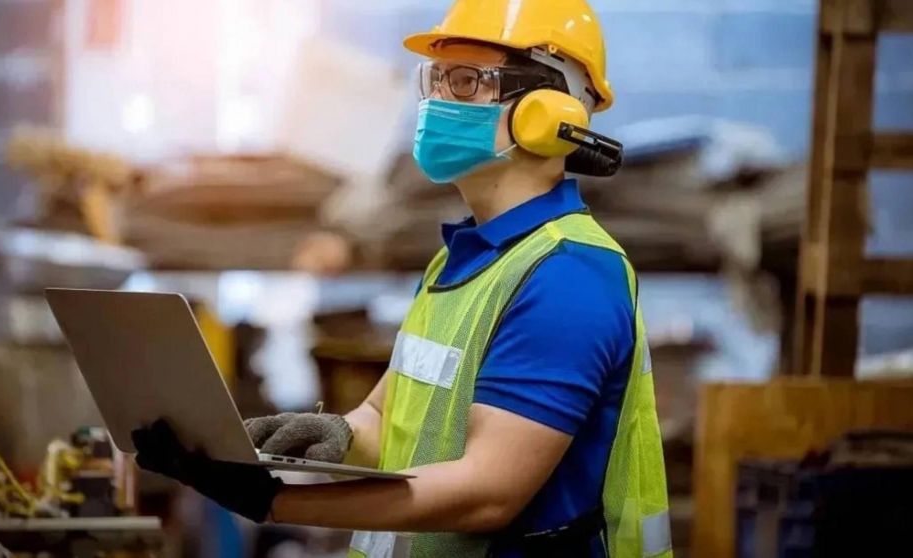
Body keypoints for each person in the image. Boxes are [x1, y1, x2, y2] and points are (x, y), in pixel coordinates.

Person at [132, 1, 671, 556]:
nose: (435, 103)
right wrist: (332, 438)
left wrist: (275, 502)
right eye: (433, 80)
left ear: (548, 114)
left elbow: (488, 494)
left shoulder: (567, 277)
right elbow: (388, 417)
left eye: (463, 82)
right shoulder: (459, 261)